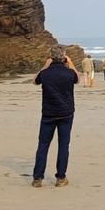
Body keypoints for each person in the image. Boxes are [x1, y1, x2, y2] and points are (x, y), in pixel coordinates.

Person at [32, 46, 79, 187]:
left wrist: (44, 67)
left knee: (43, 145)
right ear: (63, 56)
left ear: (51, 57)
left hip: (49, 113)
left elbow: (34, 81)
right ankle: (61, 177)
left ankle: (37, 178)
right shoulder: (69, 73)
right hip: (65, 112)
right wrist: (70, 63)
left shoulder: (46, 73)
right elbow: (78, 79)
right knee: (63, 145)